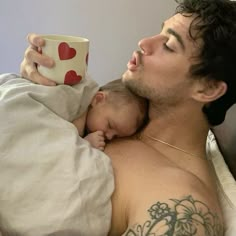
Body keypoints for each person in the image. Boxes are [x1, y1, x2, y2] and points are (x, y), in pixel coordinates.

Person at [18, 0, 236, 235]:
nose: (144, 43)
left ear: (207, 89)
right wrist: (38, 88)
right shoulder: (120, 109)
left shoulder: (180, 204)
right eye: (159, 31)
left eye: (170, 45)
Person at [72, 78, 148, 151]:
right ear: (97, 100)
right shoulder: (73, 108)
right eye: (110, 125)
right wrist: (84, 144)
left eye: (116, 136)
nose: (109, 137)